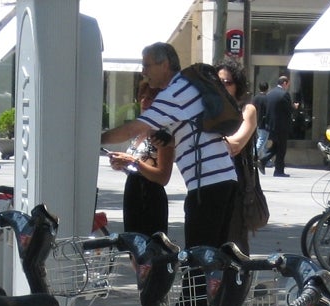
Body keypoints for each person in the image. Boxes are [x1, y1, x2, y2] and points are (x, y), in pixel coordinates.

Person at [100, 42, 237, 252]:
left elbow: (133, 129)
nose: (144, 72)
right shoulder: (188, 86)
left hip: (208, 182)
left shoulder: (174, 92)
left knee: (197, 260)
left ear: (164, 64)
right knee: (215, 258)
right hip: (223, 178)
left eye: (147, 65)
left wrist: (96, 139)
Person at [107, 80, 175, 306]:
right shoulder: (139, 131)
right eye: (143, 97)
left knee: (151, 258)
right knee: (136, 257)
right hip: (133, 192)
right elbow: (137, 165)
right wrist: (123, 164)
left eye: (151, 97)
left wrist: (133, 161)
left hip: (150, 196)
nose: (146, 101)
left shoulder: (163, 133)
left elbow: (162, 175)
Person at [216, 58, 258, 253]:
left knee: (234, 245)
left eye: (228, 82)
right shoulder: (211, 111)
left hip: (236, 184)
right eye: (219, 82)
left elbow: (236, 145)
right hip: (209, 182)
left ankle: (238, 283)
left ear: (237, 85)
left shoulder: (247, 110)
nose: (223, 86)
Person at [262, 75, 294, 177]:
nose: (288, 86)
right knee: (281, 149)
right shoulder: (284, 94)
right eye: (288, 84)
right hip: (281, 126)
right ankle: (278, 170)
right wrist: (295, 107)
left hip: (271, 126)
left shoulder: (270, 93)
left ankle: (263, 160)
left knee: (276, 147)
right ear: (284, 83)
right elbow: (288, 110)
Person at [252, 81, 270, 165]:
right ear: (267, 88)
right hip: (264, 123)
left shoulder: (255, 98)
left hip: (256, 122)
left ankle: (265, 160)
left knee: (263, 141)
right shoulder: (267, 99)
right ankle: (252, 155)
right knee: (262, 140)